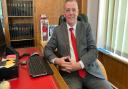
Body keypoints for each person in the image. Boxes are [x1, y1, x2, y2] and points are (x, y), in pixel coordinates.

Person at [44, 0, 112, 89]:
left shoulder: (86, 27)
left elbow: (94, 51)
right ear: (64, 13)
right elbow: (47, 49)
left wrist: (78, 65)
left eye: (73, 10)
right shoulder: (58, 31)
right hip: (70, 74)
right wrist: (57, 61)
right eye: (68, 10)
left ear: (78, 12)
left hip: (90, 71)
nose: (71, 13)